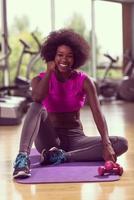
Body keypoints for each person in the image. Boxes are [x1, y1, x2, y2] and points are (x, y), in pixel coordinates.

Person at [13, 28, 128, 179]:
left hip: (76, 139)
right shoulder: (39, 80)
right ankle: (22, 158)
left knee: (121, 143)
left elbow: (98, 112)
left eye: (69, 56)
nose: (64, 60)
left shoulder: (85, 81)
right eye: (60, 55)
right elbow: (37, 98)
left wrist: (106, 144)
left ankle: (63, 157)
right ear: (52, 56)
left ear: (76, 58)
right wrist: (49, 72)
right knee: (36, 106)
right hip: (49, 140)